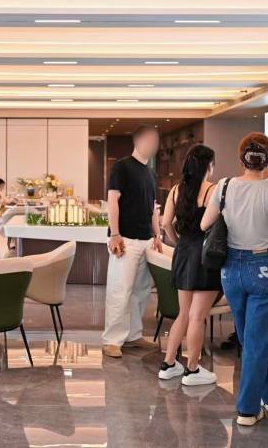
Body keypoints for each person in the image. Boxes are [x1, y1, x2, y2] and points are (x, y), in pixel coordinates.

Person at [201, 133, 268, 427]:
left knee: (251, 338)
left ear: (241, 158)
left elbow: (204, 224)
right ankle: (247, 409)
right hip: (263, 267)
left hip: (231, 269)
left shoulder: (223, 186)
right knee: (257, 340)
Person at [158, 145, 219, 385]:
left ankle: (168, 364)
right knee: (197, 316)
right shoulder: (213, 190)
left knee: (184, 313)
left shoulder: (176, 190)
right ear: (208, 166)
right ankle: (192, 369)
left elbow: (165, 223)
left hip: (183, 252)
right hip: (205, 255)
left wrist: (179, 243)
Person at [103, 124, 162, 358]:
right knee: (120, 290)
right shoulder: (122, 167)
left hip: (146, 240)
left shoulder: (151, 173)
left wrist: (157, 235)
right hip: (125, 239)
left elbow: (153, 207)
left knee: (141, 291)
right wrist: (115, 234)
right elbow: (113, 201)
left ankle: (133, 335)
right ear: (137, 141)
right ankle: (112, 340)